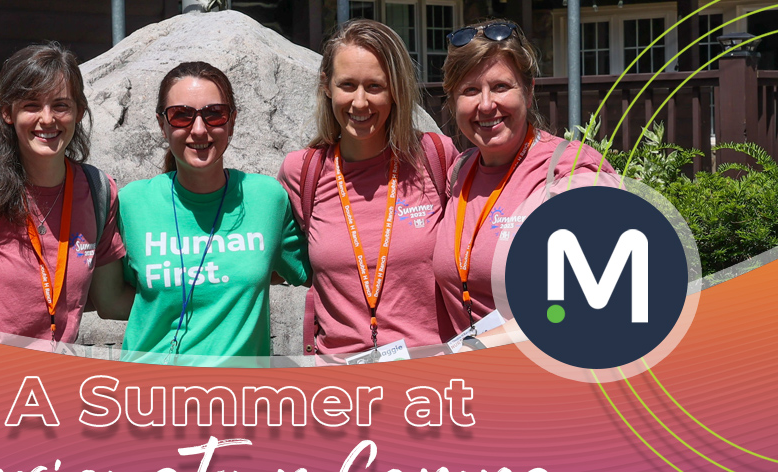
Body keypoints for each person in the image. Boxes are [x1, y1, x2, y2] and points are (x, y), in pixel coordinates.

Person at [277, 19, 458, 361]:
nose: (360, 103)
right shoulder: (303, 173)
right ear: (327, 86)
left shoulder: (436, 157)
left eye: (375, 86)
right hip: (341, 394)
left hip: (431, 383)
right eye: (347, 85)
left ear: (396, 90)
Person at [0, 42, 131, 345]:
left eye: (61, 105)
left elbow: (111, 301)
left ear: (79, 112)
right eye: (31, 105)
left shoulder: (98, 193)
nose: (47, 118)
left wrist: (208, 301)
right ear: (8, 114)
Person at [433, 20, 615, 342]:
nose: (486, 104)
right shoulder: (460, 171)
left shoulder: (570, 170)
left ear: (528, 92)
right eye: (470, 90)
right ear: (452, 102)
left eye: (501, 87)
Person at [117, 61, 310, 365]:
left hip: (238, 404)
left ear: (231, 121)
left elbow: (322, 269)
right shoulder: (131, 203)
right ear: (162, 124)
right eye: (181, 116)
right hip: (149, 400)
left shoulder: (267, 198)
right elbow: (111, 295)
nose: (198, 129)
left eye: (214, 114)